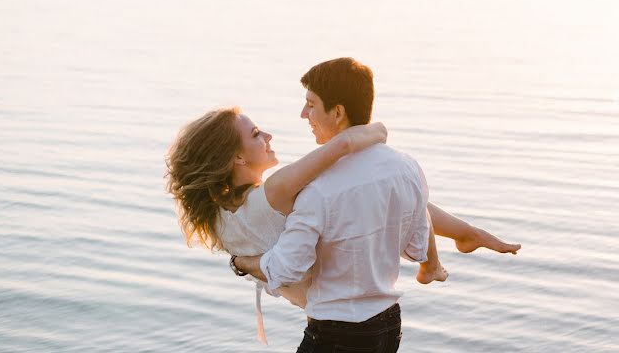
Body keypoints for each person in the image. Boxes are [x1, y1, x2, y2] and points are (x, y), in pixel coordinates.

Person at [165, 58, 520, 348]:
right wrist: (374, 132)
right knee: (399, 191)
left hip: (337, 330)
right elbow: (371, 177)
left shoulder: (219, 213)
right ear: (236, 159)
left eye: (310, 105)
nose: (301, 116)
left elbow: (288, 262)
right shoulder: (281, 191)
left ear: (334, 112)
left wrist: (240, 262)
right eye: (256, 134)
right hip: (384, 326)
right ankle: (450, 248)